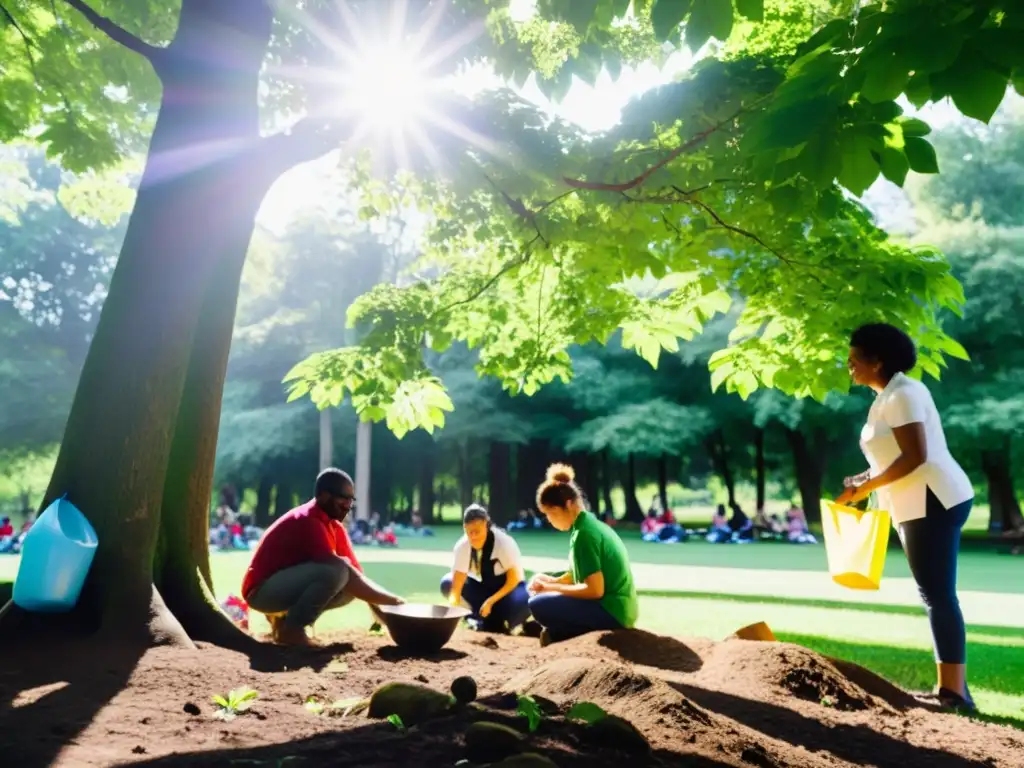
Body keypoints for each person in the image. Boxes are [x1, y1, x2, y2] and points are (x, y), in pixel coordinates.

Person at [837, 323, 975, 711]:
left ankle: (954, 693)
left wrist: (866, 488)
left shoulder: (903, 394)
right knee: (935, 594)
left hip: (933, 499)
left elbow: (916, 456)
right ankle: (953, 688)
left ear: (877, 361)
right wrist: (861, 482)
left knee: (937, 595)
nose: (848, 365)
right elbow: (893, 456)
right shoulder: (889, 395)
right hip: (914, 501)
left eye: (854, 359)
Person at [241, 468, 404, 646]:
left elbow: (357, 576)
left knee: (349, 586)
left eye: (351, 500)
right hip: (261, 592)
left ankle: (284, 624)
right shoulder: (308, 520)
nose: (348, 507)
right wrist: (394, 602)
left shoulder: (333, 525)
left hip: (282, 587)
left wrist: (393, 617)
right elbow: (340, 570)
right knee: (338, 571)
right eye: (344, 499)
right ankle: (292, 630)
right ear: (325, 496)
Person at [527, 464, 638, 645]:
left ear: (569, 504)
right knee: (538, 595)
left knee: (538, 605)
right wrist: (550, 580)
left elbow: (594, 590)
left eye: (552, 513)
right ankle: (560, 633)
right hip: (621, 609)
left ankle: (563, 635)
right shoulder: (587, 525)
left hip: (612, 610)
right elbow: (578, 575)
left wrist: (550, 588)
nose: (550, 520)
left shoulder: (584, 534)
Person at [440, 504, 530, 632]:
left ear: (486, 525)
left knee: (524, 600)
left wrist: (490, 601)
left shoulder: (503, 543)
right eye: (470, 532)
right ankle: (473, 617)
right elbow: (457, 584)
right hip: (485, 588)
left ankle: (511, 622)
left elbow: (513, 580)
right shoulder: (462, 546)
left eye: (477, 531)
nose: (474, 536)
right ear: (464, 528)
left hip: (511, 589)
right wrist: (451, 611)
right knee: (447, 583)